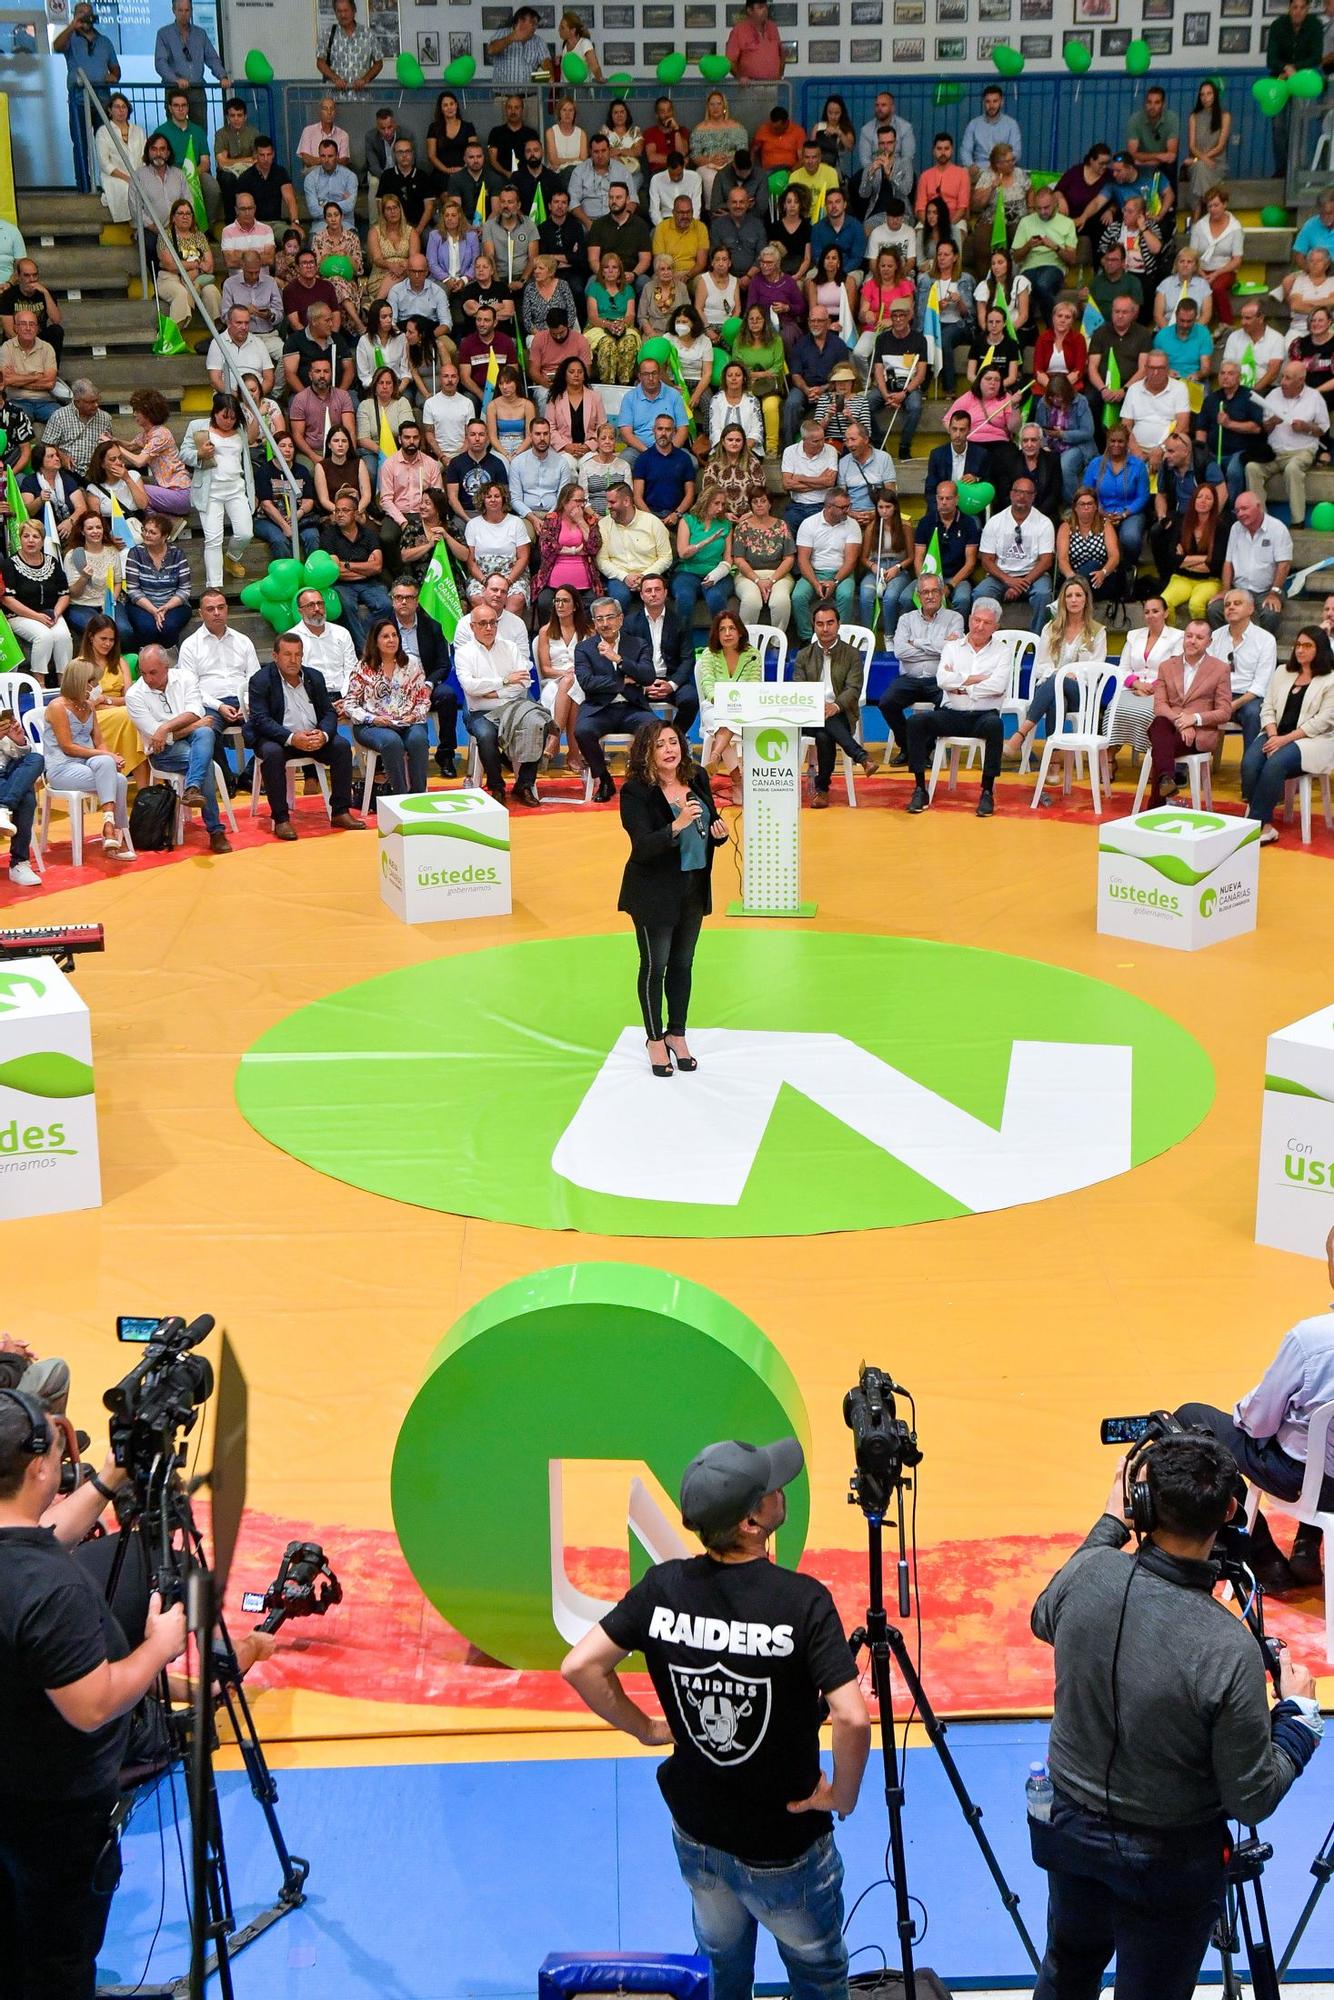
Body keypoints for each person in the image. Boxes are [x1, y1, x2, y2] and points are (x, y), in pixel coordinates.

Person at [1029, 1431, 1322, 2000]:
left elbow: (1045, 1617)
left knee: (1068, 1966)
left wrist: (1109, 1526)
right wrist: (1298, 1720)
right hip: (1168, 1865)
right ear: (1232, 1512)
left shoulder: (1089, 1574)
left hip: (1066, 1831)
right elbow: (1250, 1799)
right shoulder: (1227, 1648)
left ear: (1140, 1504)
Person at [0, 1390, 189, 1997]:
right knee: (58, 1959)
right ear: (38, 1468)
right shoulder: (53, 1591)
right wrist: (158, 1647)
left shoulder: (26, 1560)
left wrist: (109, 1478)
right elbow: (94, 1706)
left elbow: (35, 1536)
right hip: (49, 1814)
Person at [1175, 1225, 1334, 1591]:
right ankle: (1307, 1546)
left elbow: (1257, 1424)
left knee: (1190, 1418)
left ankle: (1261, 1555)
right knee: (1317, 1435)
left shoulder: (1310, 1341)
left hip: (1306, 1483)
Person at [248, 632, 362, 839]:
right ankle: (281, 819)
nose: (293, 660)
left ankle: (340, 811)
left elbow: (328, 712)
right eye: (287, 654)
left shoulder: (314, 676)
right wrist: (292, 738)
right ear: (275, 656)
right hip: (278, 738)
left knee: (341, 747)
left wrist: (324, 735)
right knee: (272, 754)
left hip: (312, 735)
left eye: (298, 655)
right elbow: (261, 720)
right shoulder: (260, 680)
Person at [904, 597, 1009, 817]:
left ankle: (987, 791)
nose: (980, 626)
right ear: (970, 619)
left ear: (996, 627)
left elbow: (999, 684)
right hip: (951, 713)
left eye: (987, 623)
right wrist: (978, 679)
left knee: (996, 726)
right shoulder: (952, 647)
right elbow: (943, 680)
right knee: (916, 722)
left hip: (983, 715)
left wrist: (962, 685)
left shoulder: (1002, 651)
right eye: (977, 620)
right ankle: (919, 788)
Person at [125, 644, 231, 852]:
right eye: (143, 673)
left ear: (166, 667)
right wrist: (187, 727)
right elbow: (157, 738)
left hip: (190, 741)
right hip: (162, 754)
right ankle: (215, 831)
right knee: (205, 762)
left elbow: (195, 710)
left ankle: (192, 789)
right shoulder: (134, 695)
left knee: (206, 733)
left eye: (153, 672)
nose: (147, 679)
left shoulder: (186, 678)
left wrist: (166, 727)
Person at [455, 601, 557, 808]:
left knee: (540, 722)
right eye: (483, 623)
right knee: (485, 735)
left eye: (493, 623)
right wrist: (504, 681)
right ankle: (497, 786)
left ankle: (524, 785)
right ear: (472, 626)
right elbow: (470, 687)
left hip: (514, 706)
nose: (489, 628)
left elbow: (524, 682)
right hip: (481, 711)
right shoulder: (464, 653)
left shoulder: (509, 647)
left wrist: (493, 691)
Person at [1240, 626, 1334, 846]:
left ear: (1320, 649)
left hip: (1311, 740)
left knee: (1275, 764)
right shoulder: (1283, 672)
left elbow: (1325, 720)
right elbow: (1267, 706)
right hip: (1276, 733)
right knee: (1250, 763)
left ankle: (1254, 823)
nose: (1300, 650)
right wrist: (1273, 734)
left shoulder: (1330, 680)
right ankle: (1265, 825)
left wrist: (1285, 740)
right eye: (1298, 645)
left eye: (1307, 646)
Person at [1003, 580, 1108, 765]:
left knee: (1056, 681)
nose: (1073, 600)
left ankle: (1021, 733)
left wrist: (1071, 675)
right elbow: (1041, 665)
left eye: (1078, 595)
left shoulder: (1097, 631)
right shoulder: (1050, 628)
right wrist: (1059, 675)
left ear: (1086, 600)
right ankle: (1054, 761)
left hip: (1082, 693)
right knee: (1056, 695)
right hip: (1054, 688)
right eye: (1069, 596)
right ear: (1063, 601)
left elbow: (1097, 669)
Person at [42, 657, 133, 857]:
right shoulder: (57, 707)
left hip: (88, 763)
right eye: (92, 682)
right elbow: (68, 747)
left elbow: (98, 741)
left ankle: (110, 828)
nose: (96, 687)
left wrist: (109, 756)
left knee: (113, 771)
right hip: (62, 767)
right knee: (117, 780)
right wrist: (107, 755)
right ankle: (117, 836)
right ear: (79, 682)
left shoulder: (89, 706)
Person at [792, 602, 874, 807]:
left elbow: (853, 688)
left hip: (841, 714)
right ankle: (861, 756)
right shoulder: (804, 655)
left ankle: (822, 789)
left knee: (823, 735)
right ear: (814, 626)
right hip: (809, 714)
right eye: (820, 624)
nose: (825, 628)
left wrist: (835, 706)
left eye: (830, 623)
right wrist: (816, 705)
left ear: (838, 624)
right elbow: (798, 686)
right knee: (822, 725)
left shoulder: (851, 654)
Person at [878, 573, 965, 767]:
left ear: (942, 593)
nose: (930, 596)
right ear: (918, 596)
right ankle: (908, 746)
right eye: (925, 592)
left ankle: (924, 749)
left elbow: (954, 649)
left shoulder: (954, 618)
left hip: (939, 679)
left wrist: (916, 643)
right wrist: (938, 648)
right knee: (886, 702)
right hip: (910, 678)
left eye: (934, 591)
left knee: (948, 705)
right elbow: (900, 651)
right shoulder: (906, 620)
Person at [1145, 617, 1232, 804]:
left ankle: (1157, 802)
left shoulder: (1220, 669)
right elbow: (1160, 705)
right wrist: (1181, 722)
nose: (1192, 641)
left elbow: (1225, 712)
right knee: (1159, 722)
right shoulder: (1167, 666)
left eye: (1199, 638)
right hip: (1170, 726)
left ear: (1209, 642)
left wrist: (1194, 719)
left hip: (1198, 734)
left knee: (1160, 747)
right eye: (1189, 636)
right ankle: (1166, 782)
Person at [345, 616, 432, 797]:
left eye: (394, 635)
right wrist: (373, 718)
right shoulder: (363, 668)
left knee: (418, 740)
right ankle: (399, 797)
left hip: (408, 721)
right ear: (375, 641)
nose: (392, 640)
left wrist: (414, 716)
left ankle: (418, 794)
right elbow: (350, 704)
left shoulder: (411, 664)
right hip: (373, 724)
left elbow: (423, 700)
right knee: (392, 742)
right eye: (385, 636)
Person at [1249, 360, 1330, 526]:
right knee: (1252, 468)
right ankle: (1261, 520)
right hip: (1274, 452)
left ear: (1300, 380)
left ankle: (1297, 520)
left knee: (1292, 469)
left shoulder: (1314, 397)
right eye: (1282, 377)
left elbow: (1323, 429)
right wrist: (1272, 422)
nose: (1283, 382)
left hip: (1302, 451)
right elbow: (1264, 428)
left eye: (1288, 378)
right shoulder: (1273, 395)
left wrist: (1306, 427)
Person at [1105, 595, 1183, 766]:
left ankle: (1154, 760)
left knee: (1148, 713)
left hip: (1162, 691)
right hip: (1133, 688)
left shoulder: (1177, 637)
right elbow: (1122, 668)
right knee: (1113, 709)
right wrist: (1137, 684)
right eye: (1147, 612)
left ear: (1165, 613)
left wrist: (1150, 688)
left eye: (1155, 611)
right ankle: (1110, 758)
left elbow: (1174, 670)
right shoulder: (1133, 636)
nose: (1151, 615)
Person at [976, 478, 1055, 634]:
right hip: (1001, 576)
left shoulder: (1044, 523)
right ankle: (986, 637)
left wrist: (1022, 584)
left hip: (1033, 576)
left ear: (1034, 496)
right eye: (1018, 492)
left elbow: (1046, 561)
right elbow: (986, 560)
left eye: (1027, 493)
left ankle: (1038, 641)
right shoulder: (995, 521)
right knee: (980, 593)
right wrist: (1009, 580)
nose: (1021, 496)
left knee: (1043, 594)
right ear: (1011, 494)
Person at [696, 607, 760, 796]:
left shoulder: (752, 655)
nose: (727, 633)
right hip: (714, 706)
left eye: (731, 628)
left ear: (740, 631)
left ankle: (715, 758)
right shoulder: (709, 654)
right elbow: (707, 685)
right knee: (722, 719)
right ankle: (737, 780)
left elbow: (754, 685)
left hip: (745, 708)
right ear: (717, 634)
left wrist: (734, 705)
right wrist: (722, 701)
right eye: (722, 629)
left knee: (728, 719)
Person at [625, 571, 698, 737]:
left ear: (665, 593)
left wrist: (671, 685)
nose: (653, 594)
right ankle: (646, 744)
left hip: (670, 679)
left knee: (690, 699)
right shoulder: (629, 623)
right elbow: (626, 660)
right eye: (648, 591)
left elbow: (688, 659)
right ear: (642, 595)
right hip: (641, 680)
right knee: (624, 696)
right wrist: (643, 685)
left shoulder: (680, 621)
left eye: (657, 589)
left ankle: (676, 738)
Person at [1211, 491, 1292, 637]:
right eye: (1237, 510)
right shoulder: (1235, 529)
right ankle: (1227, 644)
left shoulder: (1277, 529)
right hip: (1239, 589)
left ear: (1258, 507)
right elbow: (1228, 563)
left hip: (1267, 590)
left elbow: (1284, 565)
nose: (1240, 513)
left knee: (1270, 613)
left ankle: (1261, 648)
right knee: (1214, 609)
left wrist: (1274, 593)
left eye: (1244, 509)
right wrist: (1225, 591)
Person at [791, 489, 861, 642]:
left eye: (848, 506)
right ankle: (807, 639)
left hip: (842, 573)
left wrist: (835, 582)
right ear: (829, 507)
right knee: (798, 597)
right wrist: (816, 584)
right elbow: (803, 560)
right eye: (843, 507)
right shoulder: (809, 524)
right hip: (814, 572)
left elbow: (851, 561)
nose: (847, 511)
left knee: (846, 595)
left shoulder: (852, 525)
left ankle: (841, 638)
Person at [1012, 185, 1078, 328]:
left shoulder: (1067, 224)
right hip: (1029, 267)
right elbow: (1016, 257)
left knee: (1041, 284)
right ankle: (1029, 329)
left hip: (1054, 267)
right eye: (1038, 208)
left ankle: (1053, 329)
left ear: (1055, 202)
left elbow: (1072, 259)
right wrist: (1028, 245)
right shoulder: (1026, 221)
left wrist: (1054, 247)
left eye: (1046, 207)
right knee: (1023, 288)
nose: (1042, 212)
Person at [0, 704, 43, 886]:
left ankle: (3, 807)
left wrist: (19, 742)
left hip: (6, 773)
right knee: (26, 796)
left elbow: (15, 755)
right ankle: (19, 862)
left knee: (36, 759)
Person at [486, 5, 551, 88]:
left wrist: (548, 74)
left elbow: (545, 61)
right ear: (520, 21)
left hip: (530, 97)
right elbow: (491, 50)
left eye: (536, 24)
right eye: (533, 23)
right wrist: (512, 38)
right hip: (503, 97)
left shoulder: (538, 41)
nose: (535, 28)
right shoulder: (502, 33)